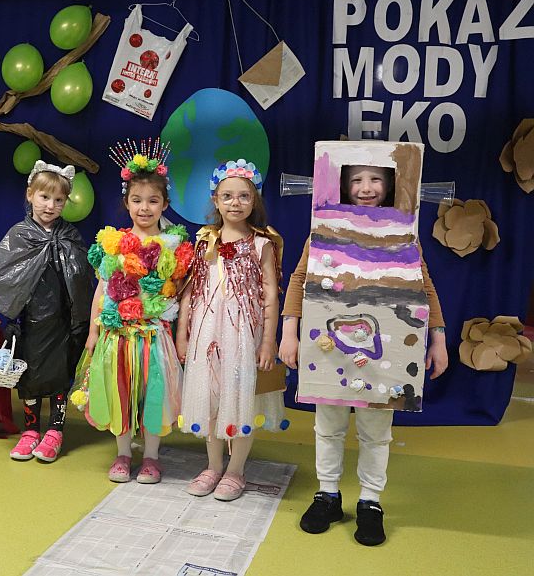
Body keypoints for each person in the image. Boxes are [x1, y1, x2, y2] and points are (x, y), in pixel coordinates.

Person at [278, 162, 448, 545]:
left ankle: (371, 501)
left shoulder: (403, 233)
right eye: (356, 179)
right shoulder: (322, 231)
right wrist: (290, 332)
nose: (366, 187)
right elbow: (300, 279)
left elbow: (423, 286)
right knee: (328, 426)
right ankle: (327, 495)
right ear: (343, 185)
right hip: (330, 349)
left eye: (375, 179)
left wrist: (437, 338)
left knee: (376, 431)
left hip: (383, 352)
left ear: (389, 185)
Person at [75, 140, 191, 484]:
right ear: (126, 202)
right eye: (137, 200)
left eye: (153, 201)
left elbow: (180, 293)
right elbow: (101, 289)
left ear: (165, 204)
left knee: (154, 395)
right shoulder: (113, 243)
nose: (144, 208)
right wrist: (94, 331)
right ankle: (123, 453)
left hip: (154, 336)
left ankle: (152, 457)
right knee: (119, 392)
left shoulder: (174, 246)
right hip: (117, 336)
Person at [176, 159, 283, 501]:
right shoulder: (204, 241)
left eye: (243, 196)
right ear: (216, 200)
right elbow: (190, 292)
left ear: (255, 201)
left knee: (240, 399)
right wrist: (183, 335)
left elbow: (270, 295)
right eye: (227, 196)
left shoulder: (262, 244)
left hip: (242, 335)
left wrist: (268, 342)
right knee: (210, 397)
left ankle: (235, 469)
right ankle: (213, 465)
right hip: (207, 333)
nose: (235, 203)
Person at [0, 161, 92, 463]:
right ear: (30, 195)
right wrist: (8, 315)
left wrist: (78, 319)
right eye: (44, 197)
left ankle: (55, 430)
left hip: (63, 321)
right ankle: (30, 431)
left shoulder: (70, 236)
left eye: (58, 200)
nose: (50, 205)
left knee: (60, 376)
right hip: (28, 321)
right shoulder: (19, 235)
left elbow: (81, 278)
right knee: (28, 377)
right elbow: (4, 276)